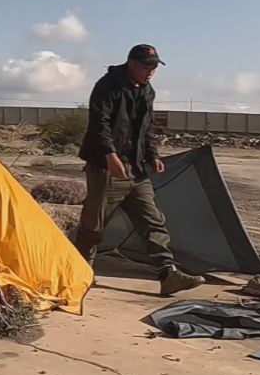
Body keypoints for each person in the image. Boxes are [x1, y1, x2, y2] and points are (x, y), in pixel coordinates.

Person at [73, 44, 204, 296]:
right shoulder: (108, 85)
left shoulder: (147, 91)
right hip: (106, 168)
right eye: (146, 66)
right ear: (131, 63)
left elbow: (147, 127)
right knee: (93, 226)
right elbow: (99, 123)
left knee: (153, 221)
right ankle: (79, 273)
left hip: (136, 169)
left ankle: (168, 273)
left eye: (154, 67)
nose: (151, 72)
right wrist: (109, 155)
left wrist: (152, 154)